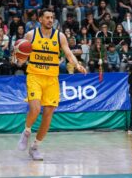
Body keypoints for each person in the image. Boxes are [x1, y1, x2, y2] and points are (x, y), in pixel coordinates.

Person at [16, 9, 87, 161]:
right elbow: (21, 56)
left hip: (52, 79)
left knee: (48, 115)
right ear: (40, 19)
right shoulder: (30, 35)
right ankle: (27, 132)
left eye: (52, 18)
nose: (50, 20)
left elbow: (68, 53)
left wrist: (77, 65)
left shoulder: (59, 36)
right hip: (34, 76)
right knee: (35, 109)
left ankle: (35, 147)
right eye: (47, 17)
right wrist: (19, 59)